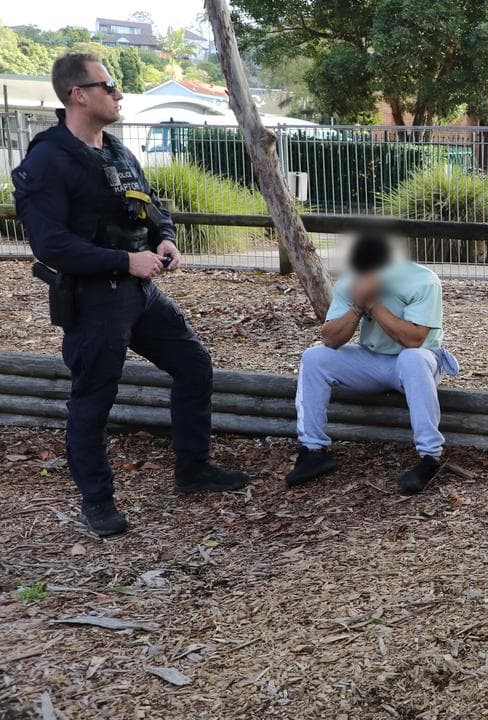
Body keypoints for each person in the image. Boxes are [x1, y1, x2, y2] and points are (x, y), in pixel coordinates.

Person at [11, 53, 249, 538]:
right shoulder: (48, 160)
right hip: (96, 299)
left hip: (139, 292)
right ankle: (97, 502)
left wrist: (165, 237)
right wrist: (123, 261)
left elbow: (150, 205)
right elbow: (50, 245)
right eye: (109, 86)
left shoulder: (116, 150)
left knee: (193, 365)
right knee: (93, 399)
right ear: (78, 94)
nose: (119, 95)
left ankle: (193, 469)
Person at [287, 232, 458, 494]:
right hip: (373, 359)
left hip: (419, 362)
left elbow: (414, 340)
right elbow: (331, 339)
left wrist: (374, 304)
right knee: (314, 357)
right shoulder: (352, 282)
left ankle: (429, 457)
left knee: (412, 358)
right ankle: (312, 450)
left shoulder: (423, 281)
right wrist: (357, 307)